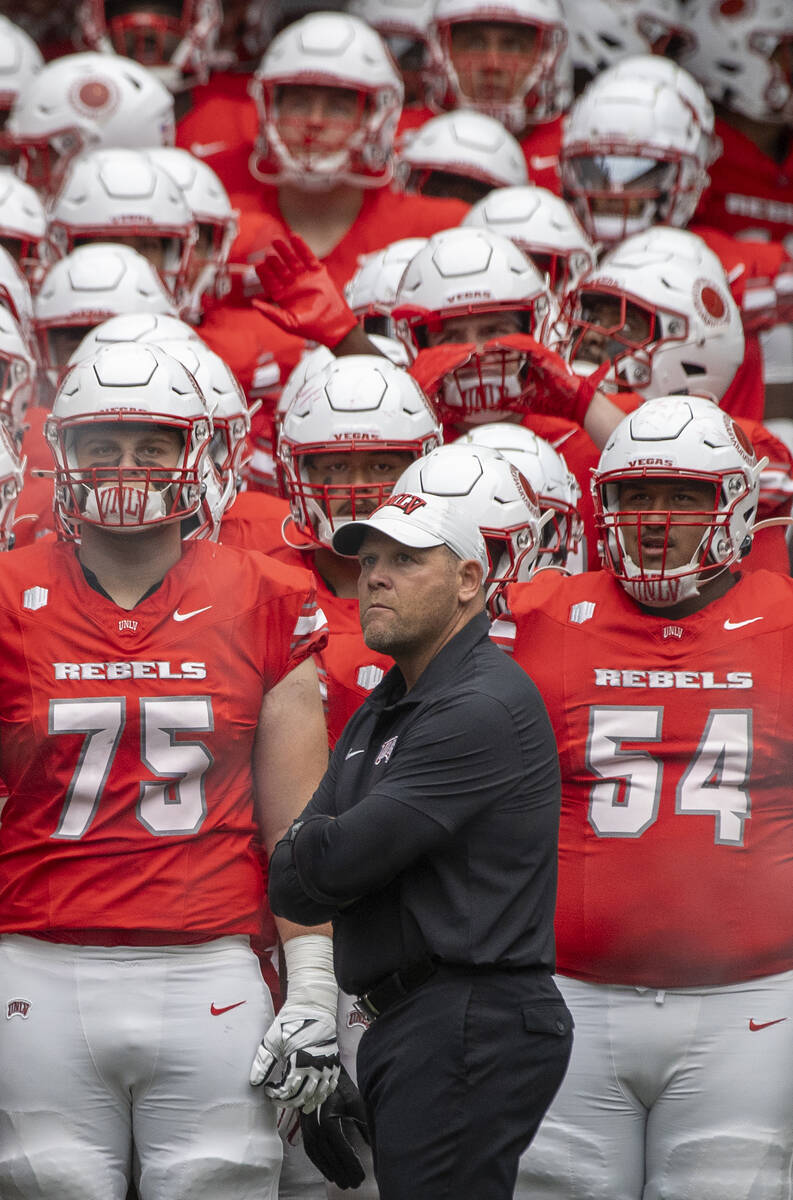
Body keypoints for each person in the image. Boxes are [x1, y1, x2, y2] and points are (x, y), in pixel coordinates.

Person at [0, 342, 336, 1199]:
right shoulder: (7, 594)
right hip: (37, 961)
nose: (126, 467)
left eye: (152, 444)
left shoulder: (264, 592)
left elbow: (297, 830)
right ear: (61, 457)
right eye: (101, 445)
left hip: (207, 972)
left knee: (215, 1185)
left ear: (199, 453)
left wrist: (312, 990)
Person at [504, 393, 793, 1199]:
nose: (655, 517)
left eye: (683, 495)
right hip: (566, 994)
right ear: (602, 506)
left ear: (734, 505)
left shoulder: (784, 620)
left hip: (750, 1004)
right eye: (635, 495)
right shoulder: (538, 615)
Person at [267, 487, 573, 1200]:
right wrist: (320, 849)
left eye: (405, 559)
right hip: (418, 1019)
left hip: (468, 1019)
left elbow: (334, 860)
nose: (374, 575)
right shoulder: (392, 700)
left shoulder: (478, 704)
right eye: (369, 559)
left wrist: (317, 846)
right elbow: (289, 879)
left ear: (469, 579)